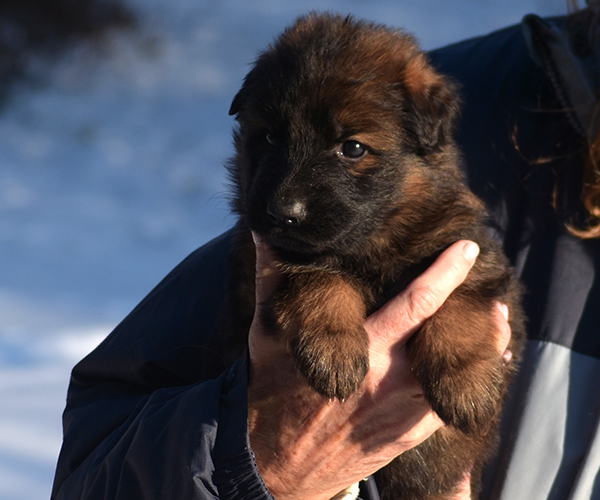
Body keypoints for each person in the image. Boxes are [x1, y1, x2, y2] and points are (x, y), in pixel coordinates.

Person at [50, 3, 600, 500]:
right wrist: (262, 468)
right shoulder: (473, 94)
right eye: (269, 140)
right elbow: (97, 459)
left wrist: (459, 345)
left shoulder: (428, 160)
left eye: (352, 149)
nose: (287, 196)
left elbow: (481, 292)